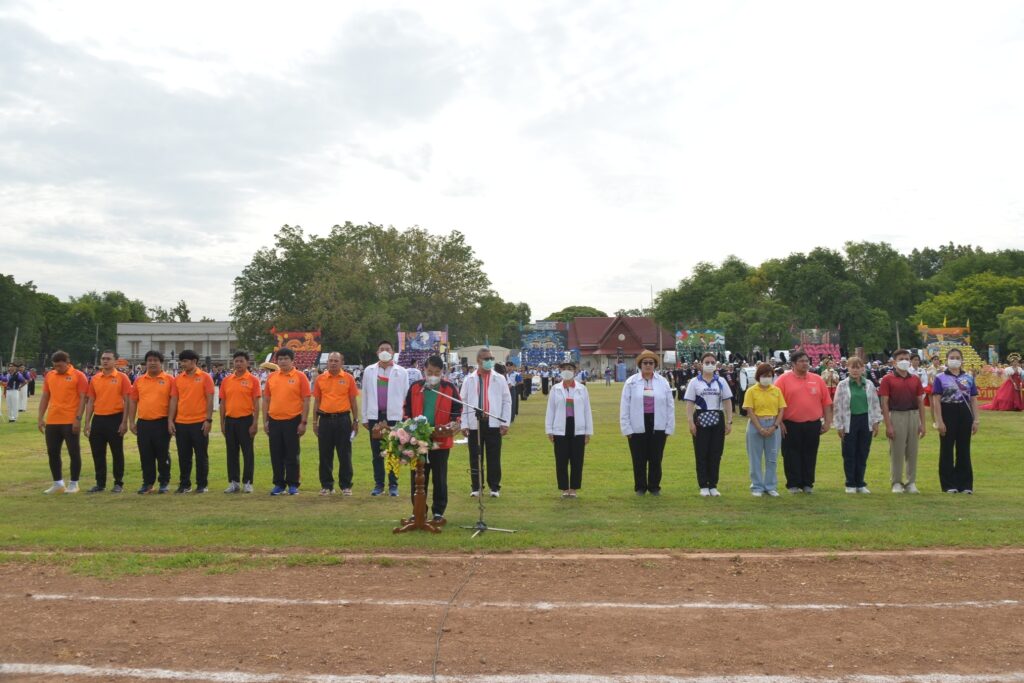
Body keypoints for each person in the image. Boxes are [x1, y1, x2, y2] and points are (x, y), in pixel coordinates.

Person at [404, 355, 462, 522]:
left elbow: (457, 409)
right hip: (418, 439)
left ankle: (438, 511)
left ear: (442, 372)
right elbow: (406, 409)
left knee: (440, 477)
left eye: (437, 373)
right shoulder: (415, 387)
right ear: (424, 370)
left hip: (440, 440)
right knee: (417, 476)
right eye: (430, 372)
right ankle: (418, 510)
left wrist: (454, 422)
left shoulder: (449, 387)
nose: (433, 376)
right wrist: (409, 425)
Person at [775, 350, 833, 494]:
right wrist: (779, 422)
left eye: (806, 361)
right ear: (793, 364)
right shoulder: (783, 379)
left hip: (813, 424)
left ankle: (807, 483)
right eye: (801, 361)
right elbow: (775, 403)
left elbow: (826, 402)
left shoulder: (817, 379)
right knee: (791, 454)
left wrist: (827, 422)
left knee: (810, 454)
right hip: (790, 424)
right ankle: (793, 484)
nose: (805, 363)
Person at [619, 350, 675, 496]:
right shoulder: (631, 382)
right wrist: (626, 428)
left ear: (655, 365)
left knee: (656, 458)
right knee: (639, 458)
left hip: (658, 423)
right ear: (640, 365)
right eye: (645, 363)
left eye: (651, 363)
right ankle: (640, 487)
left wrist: (669, 427)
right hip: (637, 424)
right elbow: (625, 406)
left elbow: (670, 405)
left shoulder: (663, 382)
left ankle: (654, 487)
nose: (648, 365)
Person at [461, 347, 513, 497]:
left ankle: (494, 487)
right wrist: (464, 424)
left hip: (494, 422)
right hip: (475, 423)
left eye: (491, 358)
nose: (490, 361)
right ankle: (476, 487)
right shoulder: (469, 379)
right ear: (478, 360)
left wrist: (505, 422)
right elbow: (463, 402)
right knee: (475, 456)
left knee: (494, 456)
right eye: (486, 359)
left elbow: (507, 401)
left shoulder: (500, 378)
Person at [361, 340, 409, 496]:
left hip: (394, 417)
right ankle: (379, 484)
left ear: (393, 352)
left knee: (393, 451)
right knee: (377, 452)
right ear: (377, 352)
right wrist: (365, 417)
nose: (384, 351)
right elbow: (365, 394)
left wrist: (405, 417)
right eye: (381, 349)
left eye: (387, 349)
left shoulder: (402, 372)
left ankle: (393, 485)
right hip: (375, 416)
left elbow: (406, 396)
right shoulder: (369, 370)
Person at [37, 351, 89, 494]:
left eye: (60, 366)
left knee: (73, 451)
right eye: (55, 366)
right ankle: (58, 483)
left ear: (67, 363)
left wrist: (78, 419)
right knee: (52, 452)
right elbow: (45, 396)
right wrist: (40, 417)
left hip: (70, 420)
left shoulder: (78, 375)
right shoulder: (50, 375)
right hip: (53, 420)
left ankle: (74, 483)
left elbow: (83, 398)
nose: (57, 369)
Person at [262, 347, 311, 495]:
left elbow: (306, 400)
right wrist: (265, 421)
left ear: (292, 360)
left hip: (293, 420)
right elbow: (266, 400)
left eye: (286, 359)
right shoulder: (272, 377)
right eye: (280, 359)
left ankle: (293, 484)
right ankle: (279, 484)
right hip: (274, 420)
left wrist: (303, 422)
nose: (283, 361)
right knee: (276, 454)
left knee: (292, 454)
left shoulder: (300, 376)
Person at [684, 352, 733, 497]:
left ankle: (713, 485)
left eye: (712, 362)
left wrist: (729, 421)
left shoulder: (721, 381)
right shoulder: (694, 382)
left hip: (717, 417)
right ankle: (703, 485)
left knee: (716, 453)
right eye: (707, 362)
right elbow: (689, 403)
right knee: (701, 452)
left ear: (716, 364)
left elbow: (727, 401)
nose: (710, 365)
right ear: (701, 364)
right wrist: (690, 422)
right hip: (700, 417)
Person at [878, 349, 928, 494]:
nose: (904, 361)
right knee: (897, 451)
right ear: (894, 362)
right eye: (901, 359)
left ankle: (911, 482)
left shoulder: (915, 379)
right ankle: (896, 482)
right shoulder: (888, 379)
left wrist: (922, 424)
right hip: (896, 415)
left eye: (907, 358)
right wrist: (888, 425)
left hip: (913, 414)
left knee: (912, 451)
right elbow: (884, 403)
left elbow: (920, 402)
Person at [932, 348, 979, 493]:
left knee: (964, 449)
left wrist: (976, 420)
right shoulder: (940, 378)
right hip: (947, 412)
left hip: (964, 414)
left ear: (962, 360)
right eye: (952, 357)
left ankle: (965, 484)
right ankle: (949, 484)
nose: (955, 360)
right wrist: (939, 421)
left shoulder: (969, 377)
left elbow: (973, 399)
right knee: (947, 449)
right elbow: (936, 400)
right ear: (946, 360)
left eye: (957, 357)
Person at [832, 357, 883, 493]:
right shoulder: (842, 385)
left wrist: (876, 422)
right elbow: (837, 405)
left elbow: (875, 403)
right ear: (848, 368)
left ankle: (860, 483)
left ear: (863, 369)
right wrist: (839, 425)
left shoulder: (869, 384)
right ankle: (850, 483)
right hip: (849, 421)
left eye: (858, 367)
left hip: (866, 420)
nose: (855, 370)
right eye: (852, 367)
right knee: (849, 453)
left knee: (863, 452)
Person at [83, 351, 132, 493]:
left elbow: (127, 401)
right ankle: (100, 483)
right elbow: (91, 401)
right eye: (103, 358)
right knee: (97, 452)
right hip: (98, 419)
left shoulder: (122, 377)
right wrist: (87, 422)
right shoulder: (95, 378)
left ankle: (118, 483)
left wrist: (124, 422)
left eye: (108, 359)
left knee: (117, 452)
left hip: (115, 418)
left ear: (115, 361)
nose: (105, 361)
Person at [313, 351, 360, 496]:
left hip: (343, 420)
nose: (333, 363)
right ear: (327, 362)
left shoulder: (348, 378)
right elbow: (317, 402)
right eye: (331, 360)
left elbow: (353, 401)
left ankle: (346, 485)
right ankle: (327, 485)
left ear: (342, 363)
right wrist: (315, 421)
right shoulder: (320, 379)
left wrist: (355, 420)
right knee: (325, 454)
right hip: (325, 420)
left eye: (336, 361)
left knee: (344, 454)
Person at [168, 349, 215, 494]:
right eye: (181, 361)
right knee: (184, 456)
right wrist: (170, 420)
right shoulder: (177, 379)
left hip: (199, 423)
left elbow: (210, 399)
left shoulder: (205, 377)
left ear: (194, 361)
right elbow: (174, 400)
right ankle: (185, 484)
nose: (182, 364)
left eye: (185, 361)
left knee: (201, 455)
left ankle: (202, 484)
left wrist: (208, 420)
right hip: (181, 423)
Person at [545, 360, 594, 498]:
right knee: (561, 460)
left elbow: (587, 410)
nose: (567, 371)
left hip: (578, 427)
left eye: (570, 368)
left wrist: (588, 432)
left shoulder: (582, 389)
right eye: (564, 368)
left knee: (577, 460)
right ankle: (564, 488)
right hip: (560, 428)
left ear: (575, 371)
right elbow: (550, 410)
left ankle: (573, 488)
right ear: (560, 371)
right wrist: (549, 430)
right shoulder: (555, 389)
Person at [129, 350, 174, 494]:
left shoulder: (169, 379)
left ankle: (164, 482)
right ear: (146, 363)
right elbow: (133, 401)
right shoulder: (139, 380)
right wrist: (131, 422)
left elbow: (173, 402)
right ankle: (147, 483)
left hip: (162, 422)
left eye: (156, 360)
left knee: (162, 454)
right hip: (144, 423)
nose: (152, 363)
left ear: (161, 363)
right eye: (149, 360)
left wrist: (171, 421)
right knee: (145, 455)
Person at [219, 350, 261, 493]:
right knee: (231, 452)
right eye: (236, 361)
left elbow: (256, 403)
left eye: (241, 361)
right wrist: (222, 423)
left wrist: (255, 423)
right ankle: (234, 482)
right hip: (230, 421)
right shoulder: (226, 380)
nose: (238, 364)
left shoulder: (253, 380)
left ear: (247, 363)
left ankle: (248, 482)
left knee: (247, 452)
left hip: (246, 420)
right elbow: (223, 403)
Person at [742, 362, 785, 497]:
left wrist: (775, 426)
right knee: (755, 458)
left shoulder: (776, 391)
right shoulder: (751, 391)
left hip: (773, 423)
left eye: (769, 375)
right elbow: (750, 410)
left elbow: (781, 409)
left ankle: (770, 486)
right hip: (756, 424)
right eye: (764, 375)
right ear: (758, 376)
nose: (767, 378)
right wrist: (760, 428)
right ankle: (757, 486)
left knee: (772, 458)